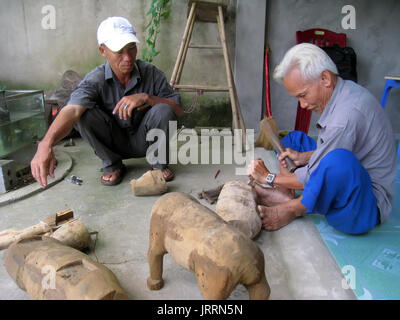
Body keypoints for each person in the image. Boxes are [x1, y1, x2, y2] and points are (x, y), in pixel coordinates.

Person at [247, 43, 397, 235]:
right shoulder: (345, 90)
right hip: (349, 170)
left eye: (303, 95)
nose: (302, 105)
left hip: (364, 207)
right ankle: (288, 193)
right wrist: (304, 157)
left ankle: (293, 207)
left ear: (325, 78)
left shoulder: (345, 117)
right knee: (294, 140)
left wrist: (268, 177)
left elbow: (324, 170)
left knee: (337, 162)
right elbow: (329, 152)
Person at [31, 16, 183, 187]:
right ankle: (112, 164)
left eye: (131, 48)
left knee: (163, 108)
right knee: (82, 114)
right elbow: (72, 110)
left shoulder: (152, 73)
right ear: (103, 51)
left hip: (145, 141)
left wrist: (149, 98)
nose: (127, 57)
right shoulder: (95, 79)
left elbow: (178, 110)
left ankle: (158, 164)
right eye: (119, 51)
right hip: (113, 143)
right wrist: (46, 144)